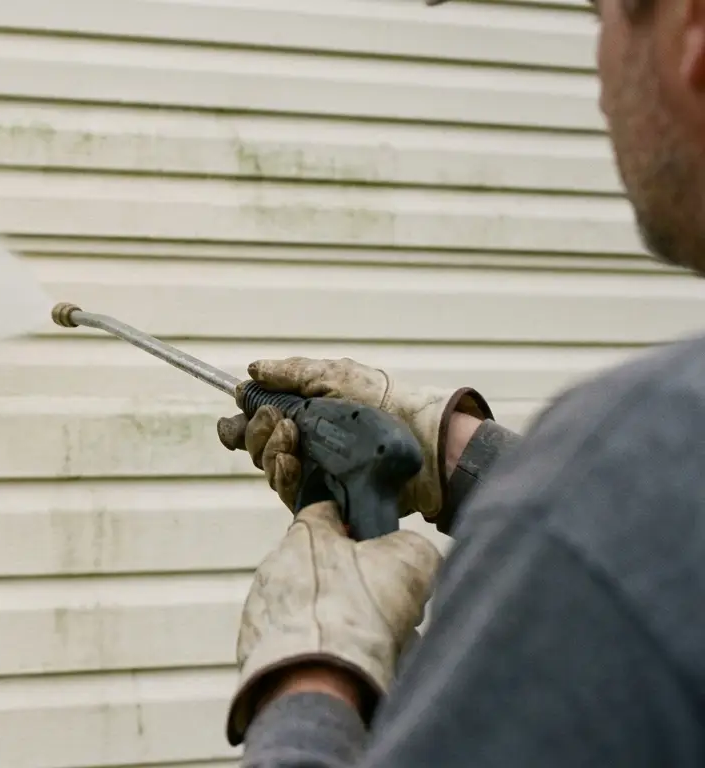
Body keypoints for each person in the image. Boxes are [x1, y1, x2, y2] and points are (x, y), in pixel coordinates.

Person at [218, 0, 705, 765]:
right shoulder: (644, 476)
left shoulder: (623, 463)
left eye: (602, 15)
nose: (602, 82)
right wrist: (457, 454)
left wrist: (311, 671)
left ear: (694, 31)